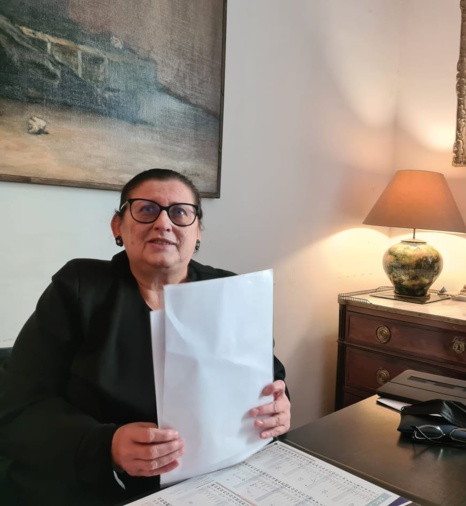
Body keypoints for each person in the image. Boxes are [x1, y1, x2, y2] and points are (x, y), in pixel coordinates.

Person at [0, 168, 291, 505]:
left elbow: (270, 378)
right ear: (118, 226)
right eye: (147, 209)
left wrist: (279, 407)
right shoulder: (78, 288)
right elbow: (18, 406)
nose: (163, 223)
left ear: (198, 231)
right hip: (95, 485)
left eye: (180, 212)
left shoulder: (230, 292)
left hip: (216, 481)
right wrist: (106, 445)